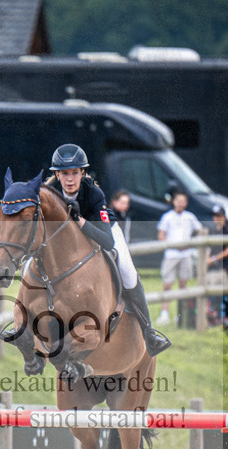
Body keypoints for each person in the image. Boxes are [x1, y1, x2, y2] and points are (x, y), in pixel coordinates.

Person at [44, 143, 170, 356]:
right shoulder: (50, 192)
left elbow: (107, 242)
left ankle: (148, 332)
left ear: (82, 172)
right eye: (64, 173)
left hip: (104, 231)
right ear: (57, 174)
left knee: (128, 272)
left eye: (75, 173)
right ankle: (22, 321)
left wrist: (80, 221)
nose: (70, 179)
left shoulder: (93, 193)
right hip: (66, 242)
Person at [155, 190, 201, 325]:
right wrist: (173, 245)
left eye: (183, 201)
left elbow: (200, 231)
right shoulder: (167, 217)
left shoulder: (190, 217)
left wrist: (191, 245)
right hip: (171, 254)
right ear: (174, 202)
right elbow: (161, 236)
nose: (181, 204)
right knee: (168, 284)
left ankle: (181, 315)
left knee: (183, 284)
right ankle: (164, 313)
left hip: (186, 254)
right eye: (178, 200)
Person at [206, 204, 228, 326]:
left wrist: (214, 258)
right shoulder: (213, 231)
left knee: (218, 289)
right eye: (215, 216)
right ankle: (213, 315)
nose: (217, 219)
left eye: (219, 216)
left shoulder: (227, 231)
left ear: (224, 217)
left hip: (222, 266)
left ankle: (222, 315)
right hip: (213, 267)